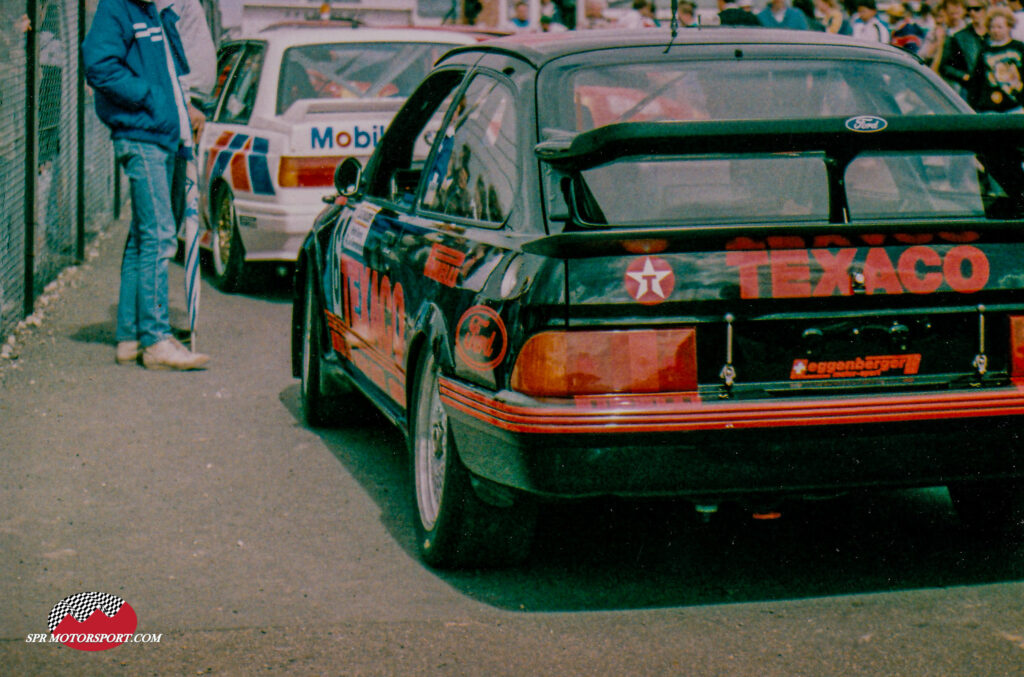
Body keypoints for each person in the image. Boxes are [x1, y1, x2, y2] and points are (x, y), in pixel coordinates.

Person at [82, 0, 209, 370]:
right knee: (159, 234)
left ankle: (130, 336)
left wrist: (180, 107)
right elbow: (99, 66)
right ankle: (155, 340)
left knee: (143, 236)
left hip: (159, 133)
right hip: (143, 136)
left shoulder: (151, 11)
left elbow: (170, 72)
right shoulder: (118, 9)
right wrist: (150, 98)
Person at [156, 0, 216, 230]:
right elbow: (170, 54)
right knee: (170, 207)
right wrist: (186, 103)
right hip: (183, 105)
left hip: (190, 103)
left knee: (177, 205)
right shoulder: (172, 5)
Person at [967, 6, 1024, 111]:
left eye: (1000, 27)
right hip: (990, 107)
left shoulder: (1018, 47)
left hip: (1016, 105)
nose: (996, 31)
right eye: (992, 27)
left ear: (1009, 27)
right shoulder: (985, 51)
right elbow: (976, 80)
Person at [940, 0, 988, 97]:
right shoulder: (959, 37)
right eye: (969, 9)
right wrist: (965, 77)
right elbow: (945, 67)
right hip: (972, 92)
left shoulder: (995, 33)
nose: (972, 13)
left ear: (985, 9)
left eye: (976, 9)